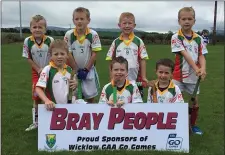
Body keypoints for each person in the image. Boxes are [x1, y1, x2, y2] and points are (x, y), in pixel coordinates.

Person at [171, 7, 207, 135]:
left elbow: (202, 55)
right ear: (179, 21)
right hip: (178, 76)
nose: (187, 21)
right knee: (174, 100)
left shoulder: (199, 38)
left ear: (194, 21)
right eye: (184, 19)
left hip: (193, 77)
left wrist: (203, 69)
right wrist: (197, 68)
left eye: (189, 19)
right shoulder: (176, 37)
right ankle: (174, 124)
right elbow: (185, 54)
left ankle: (193, 125)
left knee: (195, 102)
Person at [105, 12, 149, 98]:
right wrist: (112, 77)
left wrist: (143, 77)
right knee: (118, 99)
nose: (127, 26)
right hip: (119, 77)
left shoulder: (138, 41)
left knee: (138, 101)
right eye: (124, 23)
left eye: (130, 23)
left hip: (136, 79)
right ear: (119, 25)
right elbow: (110, 60)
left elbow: (143, 59)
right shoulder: (116, 42)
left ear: (134, 25)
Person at [22, 15, 54, 131]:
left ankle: (51, 121)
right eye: (34, 27)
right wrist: (38, 69)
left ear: (45, 29)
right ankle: (36, 122)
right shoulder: (27, 41)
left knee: (50, 96)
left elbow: (54, 56)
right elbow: (28, 58)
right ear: (30, 29)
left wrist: (46, 70)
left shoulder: (50, 40)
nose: (37, 29)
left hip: (50, 71)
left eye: (40, 27)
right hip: (36, 72)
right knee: (36, 97)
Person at [64, 7, 101, 103]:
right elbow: (68, 53)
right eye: (76, 19)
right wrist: (75, 69)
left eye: (82, 19)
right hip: (73, 71)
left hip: (89, 71)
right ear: (73, 20)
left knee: (90, 99)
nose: (79, 21)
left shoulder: (93, 34)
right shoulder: (69, 34)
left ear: (88, 20)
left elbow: (94, 54)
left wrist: (86, 70)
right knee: (73, 98)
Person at [35, 39, 78, 111]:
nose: (59, 57)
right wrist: (46, 100)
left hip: (71, 108)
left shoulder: (70, 70)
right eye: (56, 54)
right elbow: (38, 88)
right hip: (54, 109)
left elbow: (75, 90)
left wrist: (75, 85)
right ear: (51, 56)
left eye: (62, 54)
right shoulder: (47, 69)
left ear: (67, 55)